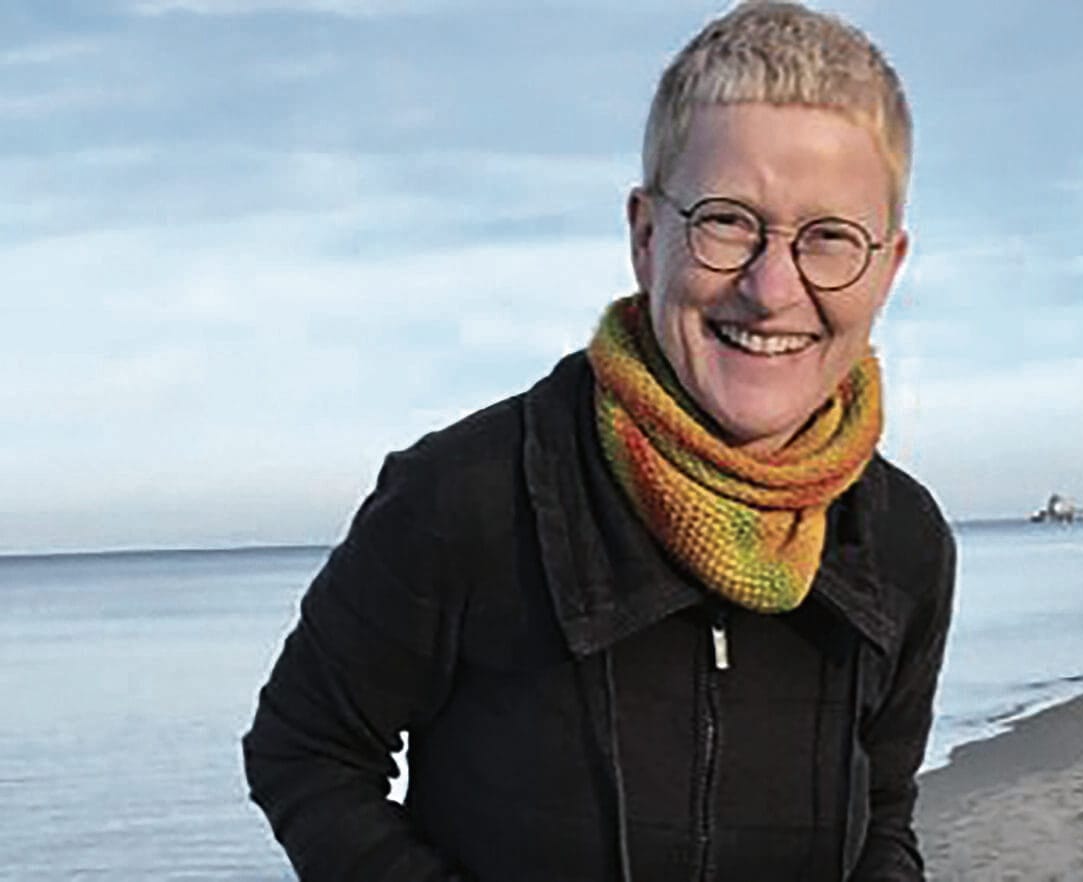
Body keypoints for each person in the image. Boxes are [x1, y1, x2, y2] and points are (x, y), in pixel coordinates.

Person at [241, 3, 955, 879]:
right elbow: (304, 749)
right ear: (647, 237)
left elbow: (884, 810)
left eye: (830, 237)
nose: (772, 289)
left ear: (888, 266)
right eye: (727, 221)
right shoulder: (464, 496)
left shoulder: (906, 542)